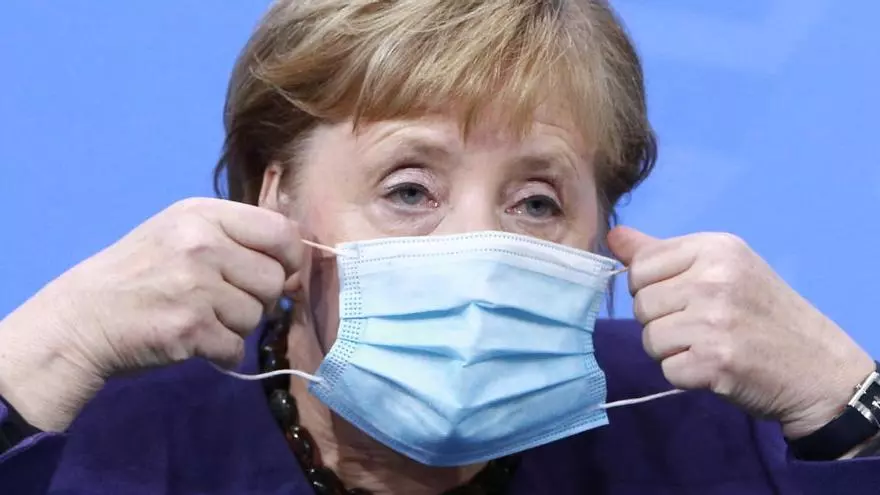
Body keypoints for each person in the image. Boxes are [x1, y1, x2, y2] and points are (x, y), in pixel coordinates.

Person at [2, 1, 879, 493]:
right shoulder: (108, 434)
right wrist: (37, 359)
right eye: (410, 190)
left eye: (537, 202)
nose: (479, 249)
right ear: (275, 198)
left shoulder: (704, 425)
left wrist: (850, 403)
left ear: (603, 231)